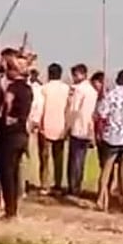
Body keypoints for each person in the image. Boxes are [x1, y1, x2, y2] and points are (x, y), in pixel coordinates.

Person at [96, 70, 123, 213]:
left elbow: (101, 113)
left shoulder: (111, 94)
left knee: (106, 171)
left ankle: (102, 200)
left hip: (112, 137)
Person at [0, 55, 33, 220]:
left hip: (10, 134)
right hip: (22, 133)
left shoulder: (12, 89)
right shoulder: (28, 89)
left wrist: (1, 120)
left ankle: (10, 210)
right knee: (15, 171)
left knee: (7, 173)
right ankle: (14, 207)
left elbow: (6, 107)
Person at [32, 62, 70, 194]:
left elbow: (40, 107)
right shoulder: (66, 89)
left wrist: (36, 122)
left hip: (45, 127)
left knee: (44, 158)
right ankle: (58, 184)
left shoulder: (44, 89)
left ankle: (44, 184)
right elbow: (68, 109)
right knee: (58, 158)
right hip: (61, 127)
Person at [64, 63, 97, 196]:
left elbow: (73, 109)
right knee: (81, 160)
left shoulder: (78, 90)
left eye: (75, 75)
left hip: (77, 127)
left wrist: (67, 125)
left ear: (82, 74)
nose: (74, 78)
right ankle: (77, 185)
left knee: (74, 160)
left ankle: (73, 187)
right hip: (87, 128)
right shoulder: (93, 91)